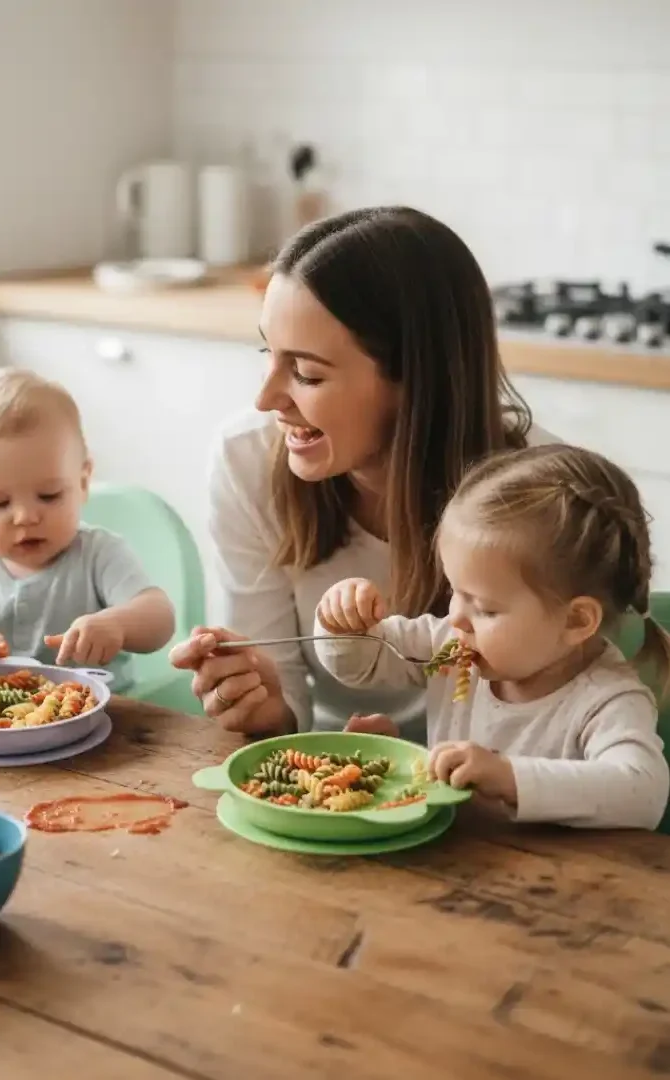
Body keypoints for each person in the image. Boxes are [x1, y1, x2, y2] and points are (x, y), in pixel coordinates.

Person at [170, 206, 552, 736]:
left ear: (414, 382)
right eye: (268, 353)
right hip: (328, 762)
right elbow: (282, 709)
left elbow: (558, 713)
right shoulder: (247, 460)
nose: (265, 398)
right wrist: (261, 701)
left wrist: (426, 763)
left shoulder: (542, 495)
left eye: (306, 373)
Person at [314, 443, 670, 829]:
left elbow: (643, 793)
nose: (456, 617)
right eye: (454, 592)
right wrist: (340, 622)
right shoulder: (453, 648)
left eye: (484, 608)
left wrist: (507, 775)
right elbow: (359, 662)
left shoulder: (607, 699)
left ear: (576, 621)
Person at [0, 368, 175, 689]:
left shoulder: (99, 553)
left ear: (82, 482)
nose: (24, 517)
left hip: (95, 718)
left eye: (49, 496)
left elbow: (160, 618)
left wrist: (117, 624)